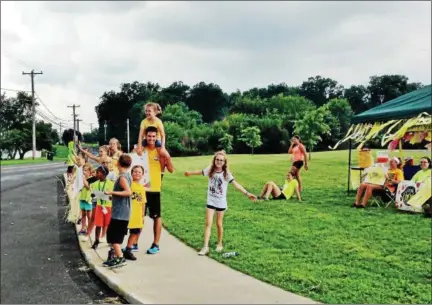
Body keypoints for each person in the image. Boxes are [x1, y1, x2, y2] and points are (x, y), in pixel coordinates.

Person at [184, 150, 257, 256]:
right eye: (217, 159)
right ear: (214, 160)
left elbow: (236, 185)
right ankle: (205, 247)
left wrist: (247, 193)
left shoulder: (226, 174)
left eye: (221, 160)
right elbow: (200, 172)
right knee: (208, 223)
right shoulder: (210, 170)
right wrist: (189, 173)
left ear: (224, 162)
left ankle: (219, 243)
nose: (219, 162)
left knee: (218, 224)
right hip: (211, 200)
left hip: (221, 202)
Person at [136, 126, 174, 255]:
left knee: (156, 217)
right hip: (141, 188)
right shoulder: (141, 150)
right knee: (138, 216)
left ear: (157, 137)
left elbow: (171, 169)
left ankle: (156, 244)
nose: (151, 138)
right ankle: (134, 243)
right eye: (149, 136)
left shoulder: (160, 151)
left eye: (154, 136)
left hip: (154, 190)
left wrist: (167, 157)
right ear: (145, 137)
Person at [103, 154, 133, 268]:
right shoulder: (127, 175)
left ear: (118, 163)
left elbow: (128, 192)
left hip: (120, 213)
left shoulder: (122, 177)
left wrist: (112, 192)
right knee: (117, 236)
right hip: (123, 211)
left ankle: (120, 257)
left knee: (113, 236)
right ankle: (116, 257)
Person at [137, 102, 171, 176]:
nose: (147, 112)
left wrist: (163, 147)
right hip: (147, 139)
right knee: (137, 152)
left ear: (155, 112)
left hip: (157, 140)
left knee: (163, 153)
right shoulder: (144, 122)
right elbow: (140, 135)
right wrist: (139, 146)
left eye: (149, 111)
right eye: (146, 111)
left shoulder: (158, 122)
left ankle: (162, 171)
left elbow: (163, 135)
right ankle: (138, 170)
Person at [122, 165, 146, 260]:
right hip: (127, 212)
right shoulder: (128, 184)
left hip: (137, 214)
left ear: (142, 174)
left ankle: (128, 250)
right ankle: (115, 250)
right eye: (135, 171)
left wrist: (142, 215)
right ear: (131, 173)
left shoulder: (142, 187)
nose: (137, 173)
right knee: (122, 232)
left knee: (135, 232)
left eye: (139, 172)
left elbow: (143, 202)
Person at [88, 165, 114, 249]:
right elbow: (93, 195)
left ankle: (110, 240)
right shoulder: (95, 184)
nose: (96, 174)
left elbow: (113, 195)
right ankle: (96, 241)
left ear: (103, 173)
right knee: (98, 224)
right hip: (99, 206)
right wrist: (93, 195)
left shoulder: (110, 183)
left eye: (98, 172)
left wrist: (109, 196)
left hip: (108, 206)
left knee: (108, 224)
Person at [78, 163, 94, 235]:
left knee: (89, 215)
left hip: (88, 199)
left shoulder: (92, 179)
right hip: (83, 197)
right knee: (83, 214)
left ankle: (89, 228)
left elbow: (88, 187)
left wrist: (84, 180)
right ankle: (83, 228)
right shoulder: (83, 178)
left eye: (85, 170)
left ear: (90, 171)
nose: (84, 172)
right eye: (83, 170)